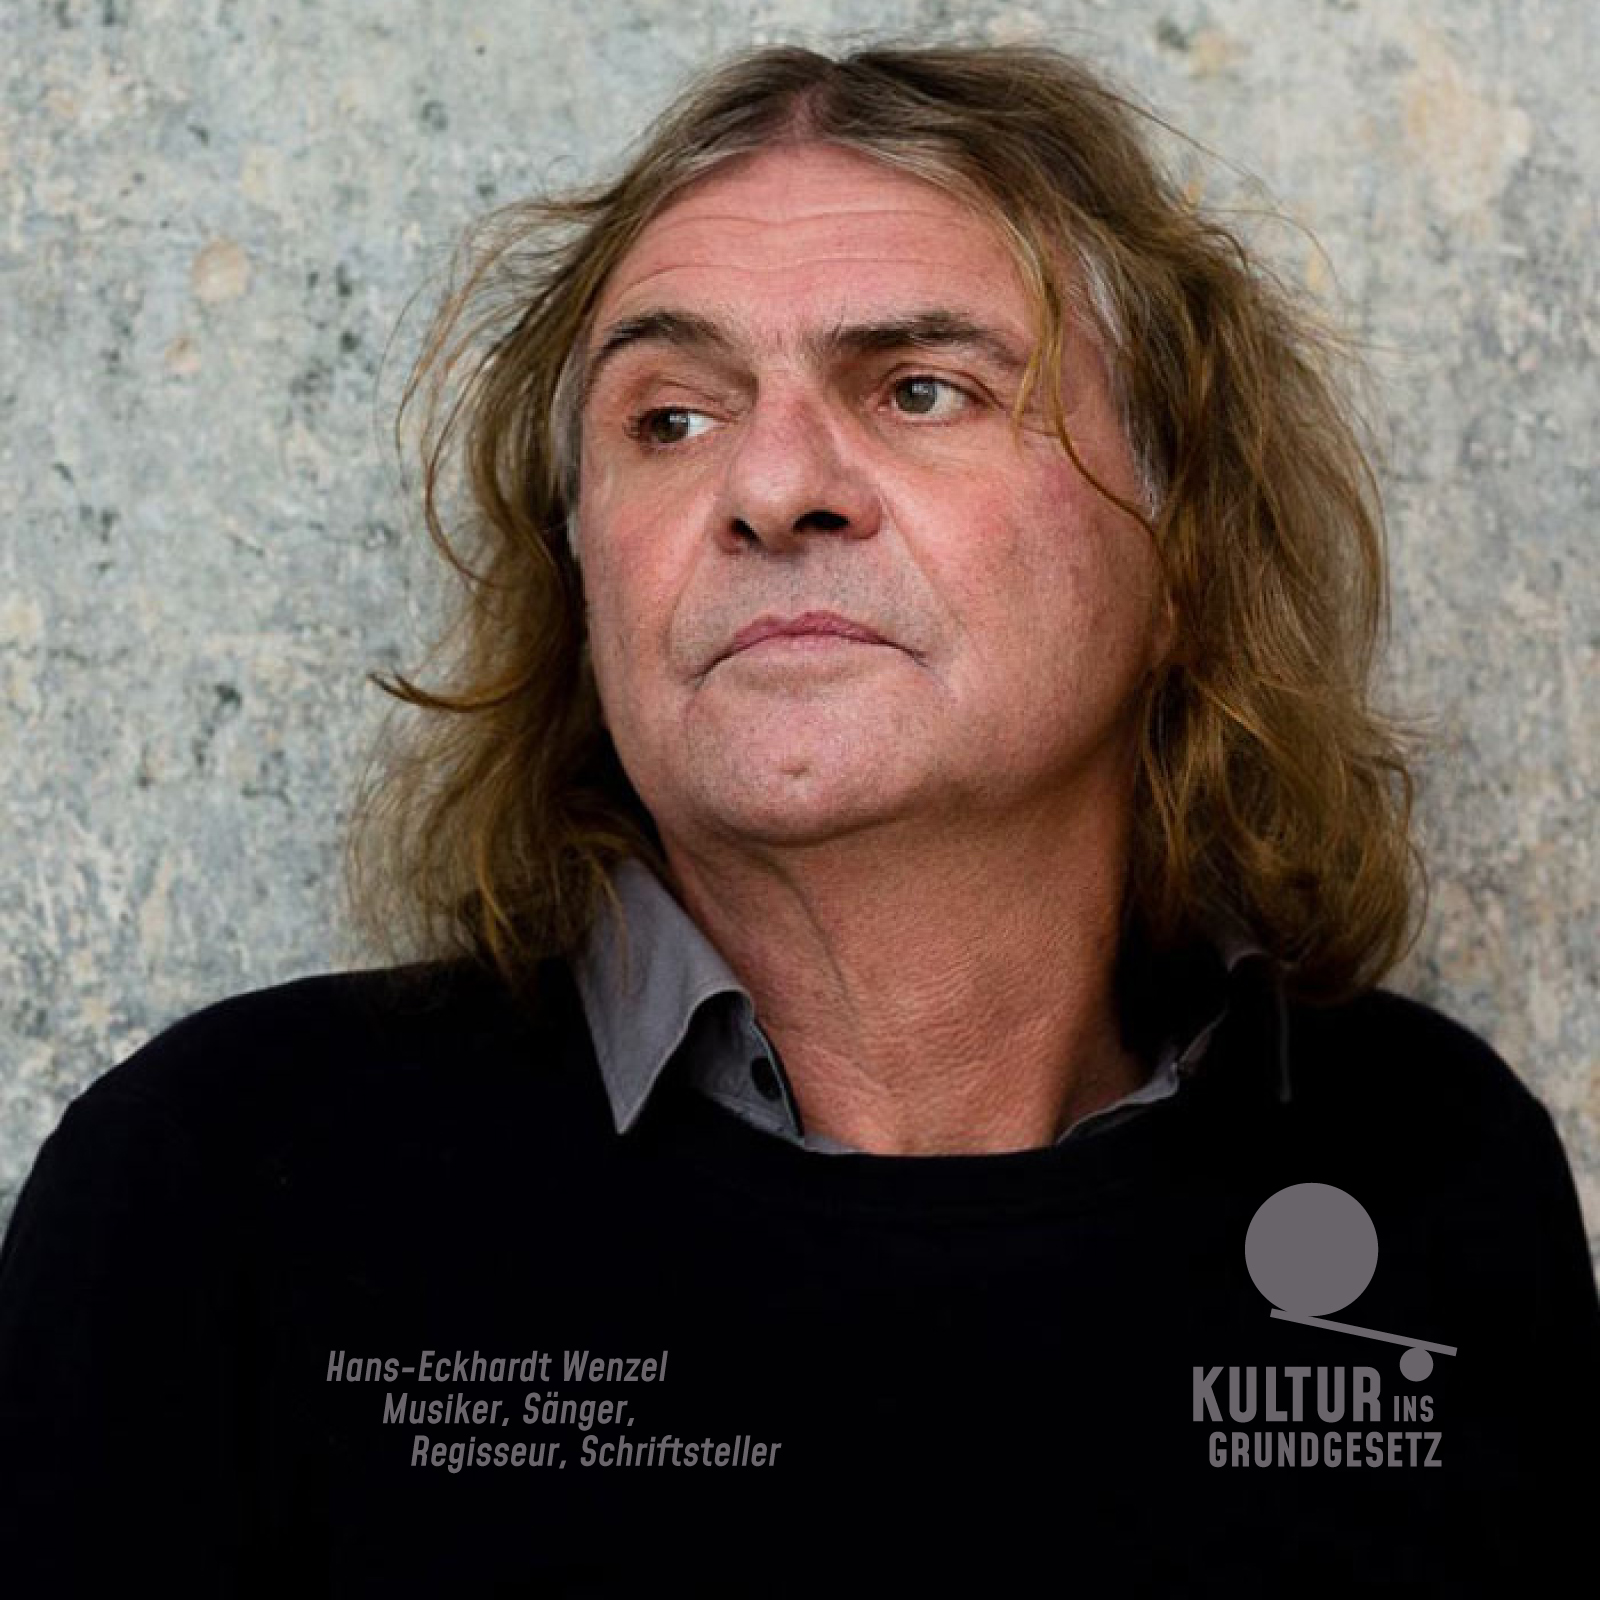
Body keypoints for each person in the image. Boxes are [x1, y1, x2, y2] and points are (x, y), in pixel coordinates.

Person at [1, 40, 1595, 1597]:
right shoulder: (223, 1190)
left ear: (1185, 554)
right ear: (583, 569)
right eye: (669, 420)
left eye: (920, 389)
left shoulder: (1428, 1170)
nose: (771, 487)